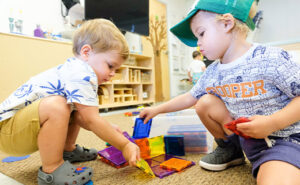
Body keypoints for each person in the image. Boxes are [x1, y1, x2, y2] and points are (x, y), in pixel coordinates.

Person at [140, 0, 300, 184]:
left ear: (227, 23)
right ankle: (231, 150)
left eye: (201, 34)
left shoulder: (271, 58)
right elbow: (190, 97)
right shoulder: (213, 71)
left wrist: (272, 123)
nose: (197, 44)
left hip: (285, 140)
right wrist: (157, 109)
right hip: (248, 139)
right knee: (204, 102)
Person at [0, 19, 140, 185]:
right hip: (8, 132)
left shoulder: (77, 71)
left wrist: (108, 129)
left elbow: (84, 117)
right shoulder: (81, 73)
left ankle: (67, 149)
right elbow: (91, 120)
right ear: (86, 52)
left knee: (72, 108)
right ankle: (52, 169)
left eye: (116, 70)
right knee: (58, 106)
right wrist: (124, 145)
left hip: (18, 130)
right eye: (110, 66)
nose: (112, 74)